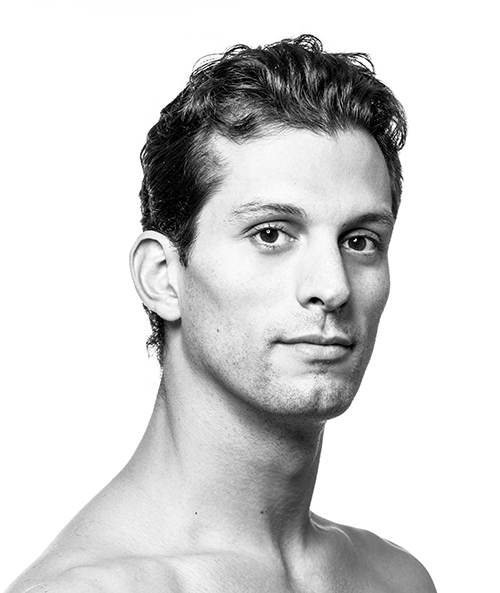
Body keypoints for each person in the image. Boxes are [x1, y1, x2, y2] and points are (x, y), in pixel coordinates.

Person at [7, 35, 436, 593]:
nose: (332, 288)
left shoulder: (396, 580)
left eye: (360, 241)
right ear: (163, 277)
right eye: (271, 234)